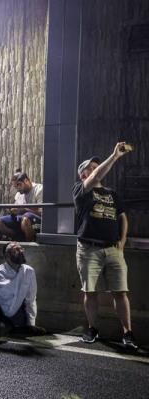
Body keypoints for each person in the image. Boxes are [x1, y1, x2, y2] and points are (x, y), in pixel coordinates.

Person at [73, 142, 137, 349]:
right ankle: (92, 328)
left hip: (113, 248)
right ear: (83, 174)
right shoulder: (81, 190)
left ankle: (128, 333)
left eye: (95, 166)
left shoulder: (112, 194)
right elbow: (95, 178)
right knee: (90, 291)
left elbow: (122, 217)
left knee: (121, 291)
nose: (94, 169)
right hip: (88, 248)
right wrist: (114, 156)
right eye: (90, 167)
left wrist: (123, 239)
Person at [0, 170, 43, 241]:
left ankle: (28, 245)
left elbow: (42, 212)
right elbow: (17, 210)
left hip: (37, 221)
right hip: (21, 219)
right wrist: (12, 211)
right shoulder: (19, 194)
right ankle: (18, 238)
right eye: (15, 186)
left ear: (26, 180)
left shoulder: (39, 189)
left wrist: (24, 209)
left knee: (25, 219)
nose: (17, 188)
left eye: (19, 185)